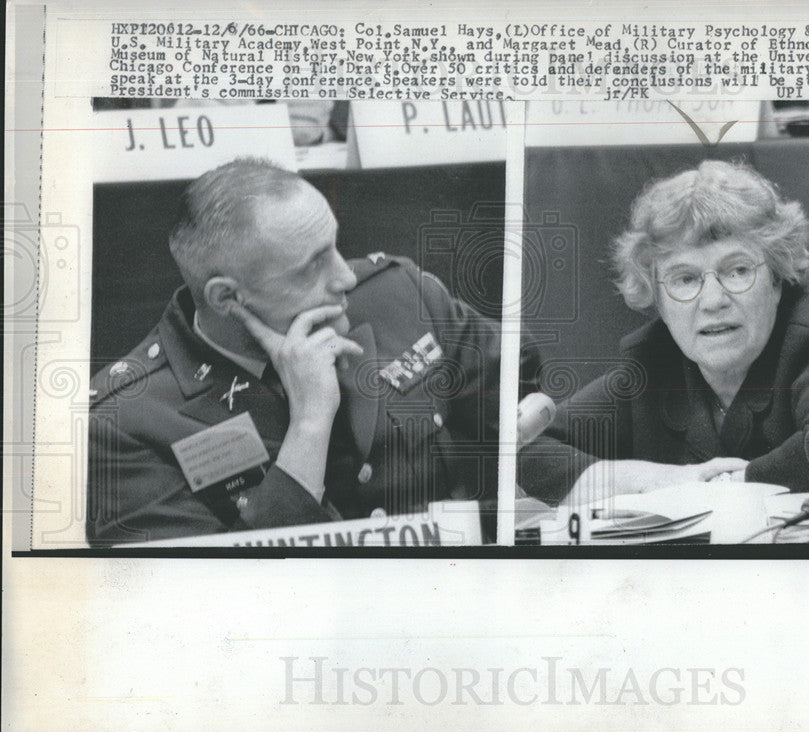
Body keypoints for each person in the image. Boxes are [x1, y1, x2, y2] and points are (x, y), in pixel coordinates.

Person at [88, 158, 517, 545]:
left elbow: (529, 413)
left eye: (335, 245)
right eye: (313, 266)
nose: (347, 277)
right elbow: (211, 599)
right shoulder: (123, 423)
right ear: (226, 299)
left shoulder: (397, 293)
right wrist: (309, 427)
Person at [518, 160, 809, 505]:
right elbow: (526, 449)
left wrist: (737, 481)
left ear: (778, 278)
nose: (713, 300)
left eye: (737, 271)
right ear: (658, 299)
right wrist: (655, 480)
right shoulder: (653, 364)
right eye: (685, 278)